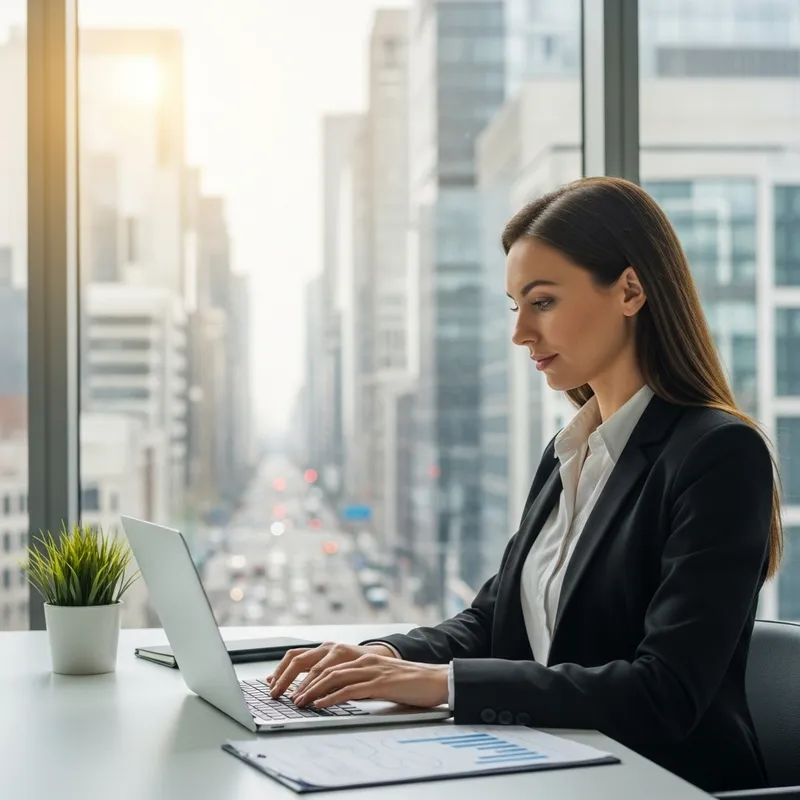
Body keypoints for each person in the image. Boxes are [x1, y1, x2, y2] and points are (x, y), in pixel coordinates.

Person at [268, 176, 782, 794]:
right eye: (516, 306)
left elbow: (664, 693)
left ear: (630, 290)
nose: (520, 334)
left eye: (542, 302)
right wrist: (380, 655)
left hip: (660, 784)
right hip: (548, 767)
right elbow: (496, 618)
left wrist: (448, 685)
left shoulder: (718, 454)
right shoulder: (572, 449)